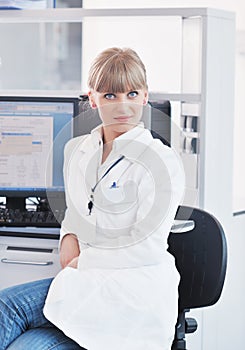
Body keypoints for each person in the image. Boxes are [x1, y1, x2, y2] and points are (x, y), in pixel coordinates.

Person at [0, 47, 185, 350]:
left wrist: (80, 262)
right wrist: (68, 236)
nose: (123, 105)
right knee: (6, 306)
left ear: (145, 96)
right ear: (92, 98)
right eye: (110, 95)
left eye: (132, 93)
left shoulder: (161, 162)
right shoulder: (78, 149)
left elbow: (145, 248)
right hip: (84, 282)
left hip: (132, 295)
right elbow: (75, 209)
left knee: (27, 347)